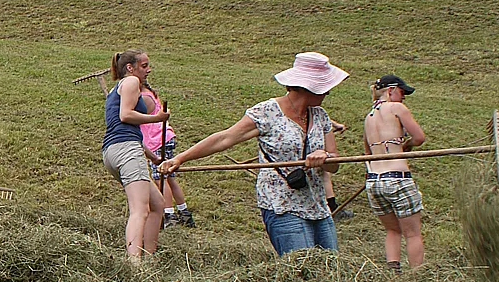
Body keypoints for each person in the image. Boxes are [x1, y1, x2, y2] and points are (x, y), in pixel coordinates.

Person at [160, 52, 346, 255]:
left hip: (318, 206)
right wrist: (180, 158)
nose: (328, 92)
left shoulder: (320, 116)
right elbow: (225, 138)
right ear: (308, 86)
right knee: (301, 271)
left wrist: (324, 158)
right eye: (325, 87)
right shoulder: (267, 112)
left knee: (330, 268)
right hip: (282, 206)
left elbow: (334, 164)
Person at [102, 50, 170, 260]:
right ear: (130, 68)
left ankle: (148, 257)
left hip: (114, 151)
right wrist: (157, 118)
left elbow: (127, 131)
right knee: (140, 210)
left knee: (157, 204)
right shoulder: (130, 82)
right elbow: (126, 115)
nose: (148, 70)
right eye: (144, 65)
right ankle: (134, 265)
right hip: (126, 150)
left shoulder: (117, 89)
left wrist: (155, 158)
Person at [363, 74, 427, 270]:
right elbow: (419, 137)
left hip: (374, 182)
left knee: (392, 230)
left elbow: (367, 152)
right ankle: (418, 277)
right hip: (398, 178)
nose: (404, 96)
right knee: (413, 233)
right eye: (401, 91)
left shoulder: (369, 117)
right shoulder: (397, 108)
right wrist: (406, 145)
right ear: (390, 90)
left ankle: (393, 272)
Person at [140, 82, 194, 227]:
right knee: (170, 178)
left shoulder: (143, 98)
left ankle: (169, 215)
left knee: (160, 178)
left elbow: (133, 117)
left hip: (156, 141)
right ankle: (184, 212)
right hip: (164, 137)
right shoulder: (150, 94)